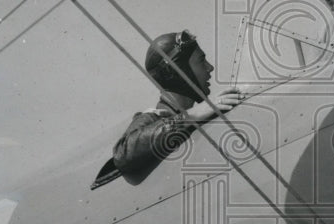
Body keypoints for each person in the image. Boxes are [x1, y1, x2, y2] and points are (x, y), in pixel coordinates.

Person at [92, 31, 242, 188]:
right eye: (201, 60)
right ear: (177, 72)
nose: (210, 68)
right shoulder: (152, 118)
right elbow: (122, 154)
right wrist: (191, 115)